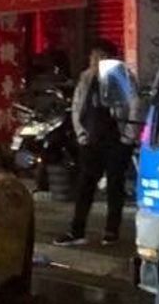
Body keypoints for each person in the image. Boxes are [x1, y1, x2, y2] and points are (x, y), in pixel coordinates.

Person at [56, 39, 138, 248]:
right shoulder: (86, 78)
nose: (94, 61)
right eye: (93, 57)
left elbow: (135, 106)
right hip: (92, 139)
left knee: (115, 185)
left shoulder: (123, 77)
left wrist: (128, 136)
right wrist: (81, 134)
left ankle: (112, 231)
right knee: (85, 185)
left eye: (99, 56)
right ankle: (77, 230)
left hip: (117, 138)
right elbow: (77, 106)